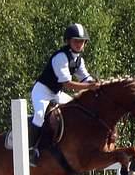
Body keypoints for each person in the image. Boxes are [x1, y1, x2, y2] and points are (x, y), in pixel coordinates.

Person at [29, 23, 100, 166]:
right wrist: (90, 87)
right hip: (42, 91)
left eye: (82, 41)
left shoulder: (79, 60)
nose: (79, 44)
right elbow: (68, 84)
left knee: (77, 108)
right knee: (39, 115)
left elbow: (85, 78)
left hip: (56, 93)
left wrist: (99, 84)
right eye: (76, 41)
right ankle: (31, 150)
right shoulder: (60, 57)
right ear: (68, 41)